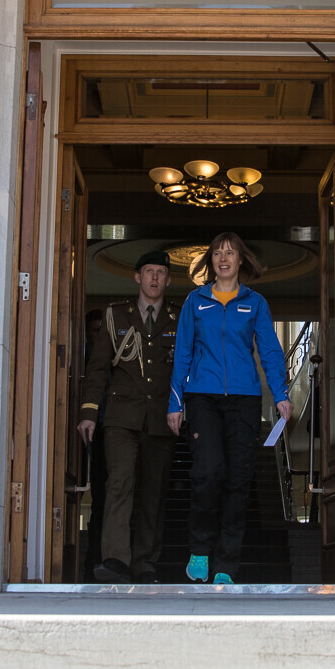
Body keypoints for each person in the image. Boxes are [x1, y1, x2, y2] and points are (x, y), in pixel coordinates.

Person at [166, 232, 292, 585]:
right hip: (202, 396)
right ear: (211, 261)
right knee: (208, 473)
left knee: (238, 479)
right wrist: (175, 402)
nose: (224, 258)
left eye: (230, 252)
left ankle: (226, 564)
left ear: (240, 260)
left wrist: (280, 393)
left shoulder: (255, 303)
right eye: (218, 253)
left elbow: (269, 350)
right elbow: (183, 352)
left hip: (244, 399)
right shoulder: (196, 301)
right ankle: (200, 550)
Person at [76, 249, 182, 584]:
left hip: (161, 417)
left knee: (154, 493)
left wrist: (182, 408)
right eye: (149, 271)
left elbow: (185, 368)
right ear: (137, 277)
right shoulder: (115, 316)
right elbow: (97, 369)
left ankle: (145, 564)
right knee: (119, 485)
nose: (154, 278)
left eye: (160, 273)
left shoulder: (180, 318)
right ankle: (116, 560)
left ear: (168, 279)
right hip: (121, 417)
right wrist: (89, 413)